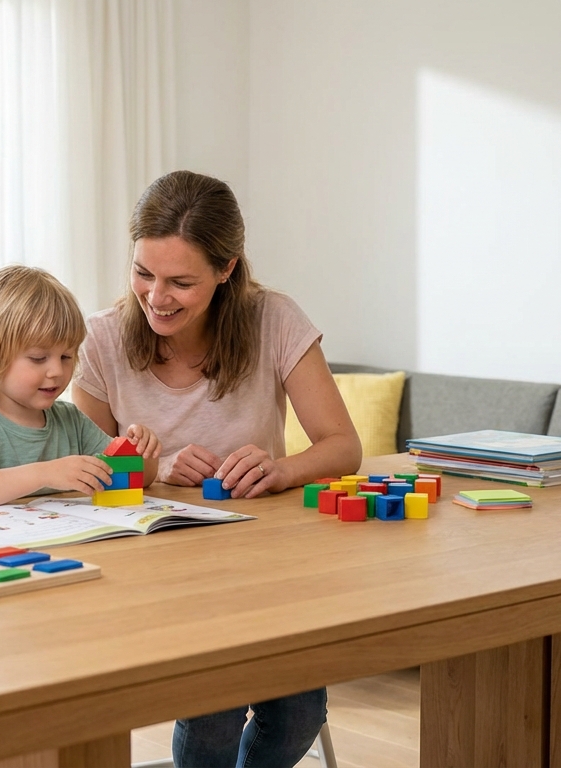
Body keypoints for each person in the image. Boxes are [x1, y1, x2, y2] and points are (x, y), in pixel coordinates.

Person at [73, 170, 361, 767]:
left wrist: (282, 470)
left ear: (226, 269)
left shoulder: (274, 319)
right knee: (215, 709)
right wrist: (156, 465)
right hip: (155, 572)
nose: (156, 297)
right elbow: (87, 465)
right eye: (143, 273)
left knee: (300, 712)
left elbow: (341, 446)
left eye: (181, 281)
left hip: (264, 565)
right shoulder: (100, 339)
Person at [0, 265, 160, 513]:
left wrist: (142, 453)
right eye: (38, 358)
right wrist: (44, 473)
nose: (57, 371)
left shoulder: (71, 421)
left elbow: (139, 479)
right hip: (0, 549)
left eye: (65, 356)